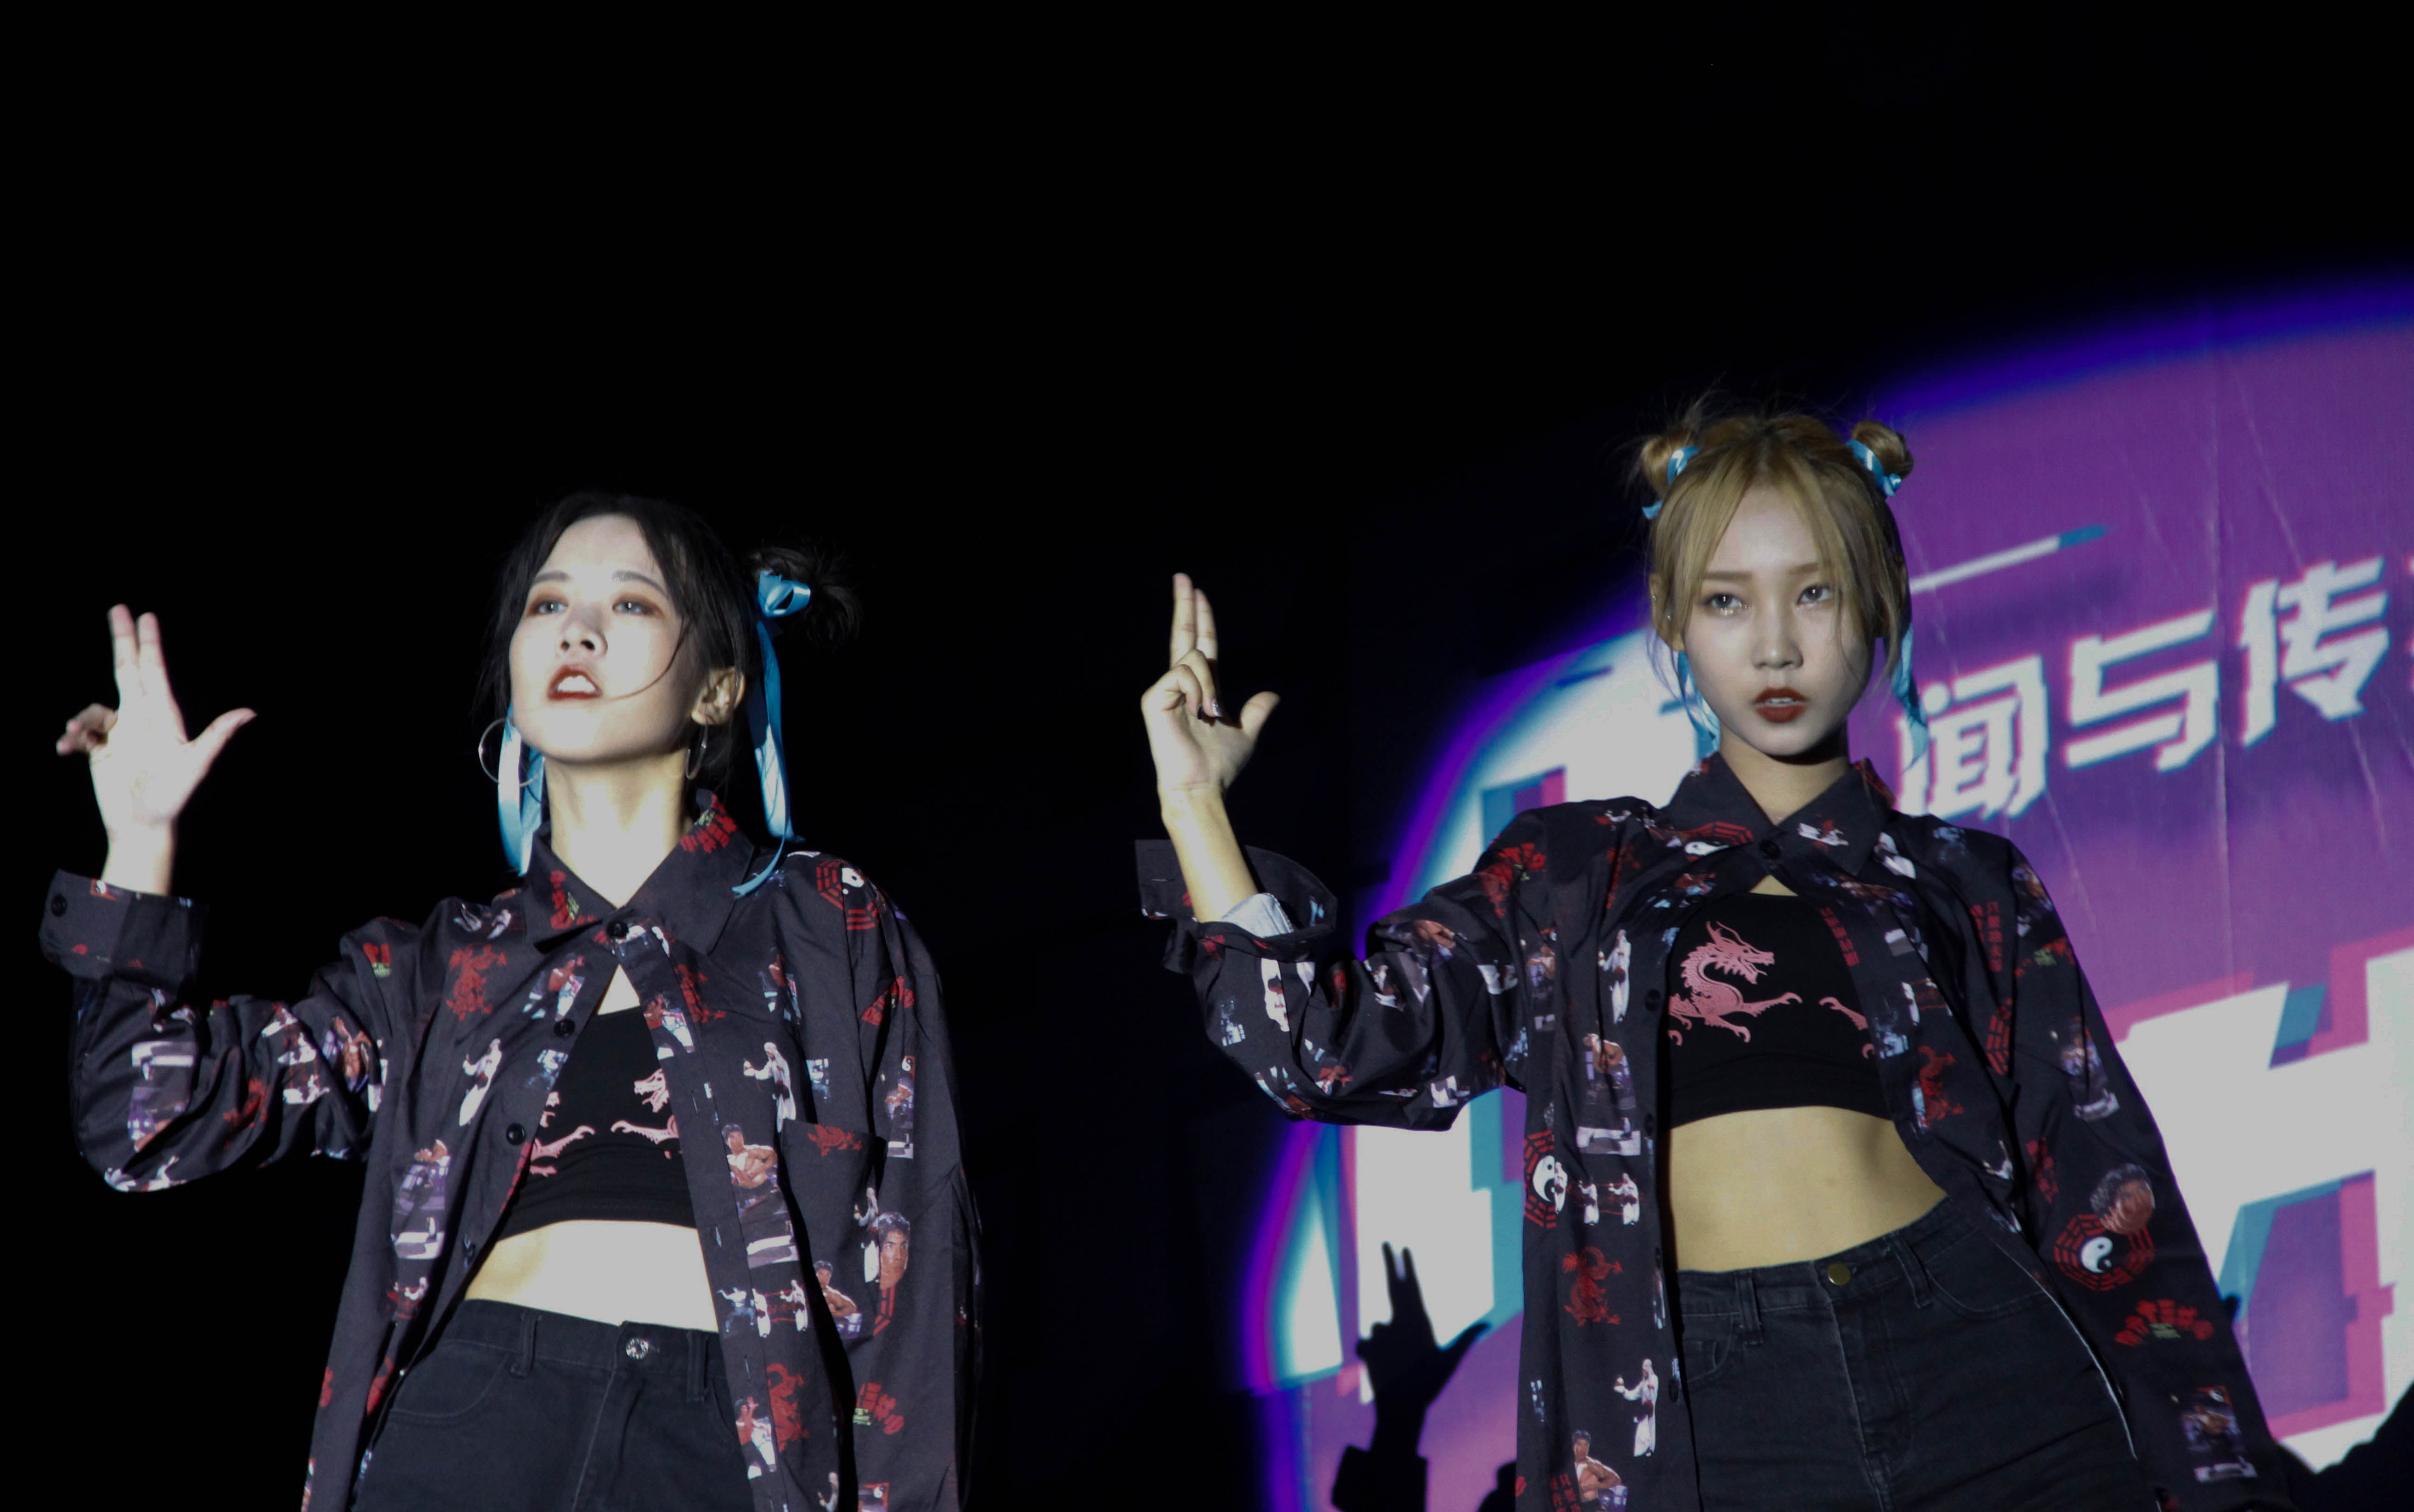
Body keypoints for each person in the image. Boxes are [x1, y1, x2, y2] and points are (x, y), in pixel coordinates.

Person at [1136, 406, 2289, 1509]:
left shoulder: (1963, 877)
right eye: (1727, 599)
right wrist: (1194, 806)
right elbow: (1323, 1047)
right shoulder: (1572, 874)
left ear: (1879, 602)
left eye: (1816, 591)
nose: (1776, 642)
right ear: (1674, 620)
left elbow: (2103, 1182)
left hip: (1987, 1364)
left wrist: (2220, 1475)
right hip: (1716, 1404)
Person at [46, 493, 973, 1510]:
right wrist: (140, 843)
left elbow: (917, 1275)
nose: (577, 630)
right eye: (548, 604)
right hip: (471, 1422)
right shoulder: (439, 968)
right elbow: (145, 1118)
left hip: (721, 1449)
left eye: (631, 604)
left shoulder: (828, 924)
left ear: (718, 688)